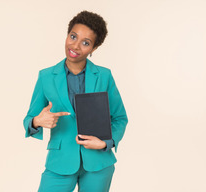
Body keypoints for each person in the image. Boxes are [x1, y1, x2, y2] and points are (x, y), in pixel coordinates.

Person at [23, 10, 128, 192]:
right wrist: (37, 121)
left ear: (94, 48)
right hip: (59, 162)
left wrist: (105, 143)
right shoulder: (46, 76)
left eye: (85, 43)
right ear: (67, 35)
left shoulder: (104, 76)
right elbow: (29, 119)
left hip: (98, 164)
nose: (76, 46)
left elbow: (120, 118)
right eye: (73, 37)